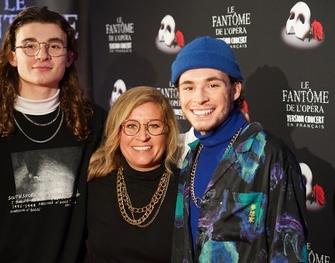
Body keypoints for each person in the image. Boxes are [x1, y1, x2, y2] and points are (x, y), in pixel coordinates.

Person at [0, 6, 107, 262]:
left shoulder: (92, 121)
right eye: (29, 45)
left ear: (69, 58)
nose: (42, 55)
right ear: (12, 57)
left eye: (54, 46)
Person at [170, 36, 308, 262]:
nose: (199, 98)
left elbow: (290, 254)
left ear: (234, 91)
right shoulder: (190, 158)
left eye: (212, 85)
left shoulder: (271, 156)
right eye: (189, 87)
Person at [87, 86, 181, 262]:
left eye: (154, 125)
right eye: (131, 126)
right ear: (117, 132)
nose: (143, 136)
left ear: (168, 132)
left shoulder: (187, 187)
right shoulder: (94, 184)